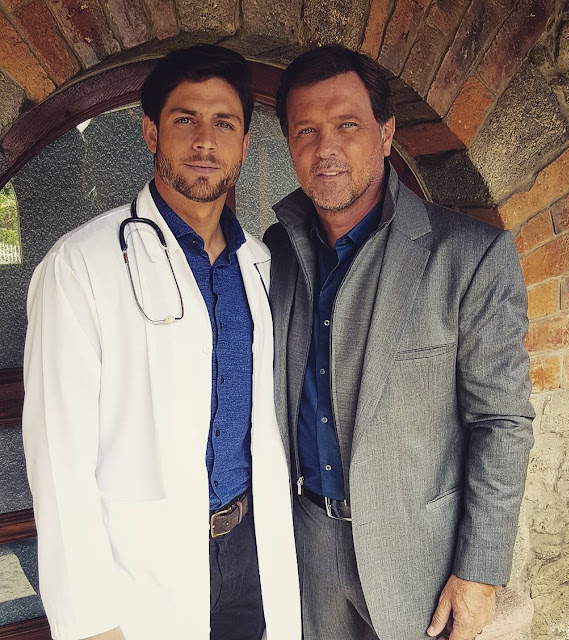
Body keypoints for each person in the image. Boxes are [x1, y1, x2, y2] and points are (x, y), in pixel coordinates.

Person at [22, 44, 300, 640]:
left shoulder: (261, 265)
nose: (205, 142)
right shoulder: (82, 265)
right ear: (151, 132)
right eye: (185, 119)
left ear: (245, 143)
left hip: (251, 556)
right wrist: (92, 619)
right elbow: (58, 457)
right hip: (141, 568)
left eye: (224, 123)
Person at [264, 44, 534, 640]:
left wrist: (479, 572)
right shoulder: (276, 251)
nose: (325, 147)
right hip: (306, 547)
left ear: (385, 134)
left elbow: (502, 421)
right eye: (306, 130)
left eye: (347, 125)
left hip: (421, 561)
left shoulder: (470, 256)